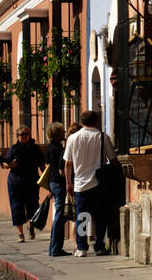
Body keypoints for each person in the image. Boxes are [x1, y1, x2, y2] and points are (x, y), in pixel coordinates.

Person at [63, 110, 117, 258]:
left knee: (82, 216)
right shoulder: (102, 137)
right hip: (99, 182)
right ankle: (99, 246)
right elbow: (112, 159)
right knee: (100, 216)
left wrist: (69, 182)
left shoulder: (73, 138)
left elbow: (68, 164)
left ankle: (81, 247)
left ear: (81, 122)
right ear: (96, 122)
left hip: (80, 184)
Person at [2, 125, 45, 243]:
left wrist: (46, 178)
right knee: (17, 207)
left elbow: (42, 165)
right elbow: (5, 164)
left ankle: (31, 225)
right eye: (22, 134)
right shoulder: (14, 149)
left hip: (32, 182)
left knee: (33, 206)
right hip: (16, 183)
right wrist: (10, 165)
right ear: (17, 136)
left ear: (30, 135)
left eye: (26, 134)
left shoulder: (35, 148)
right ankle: (20, 233)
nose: (24, 136)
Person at [45, 122, 68, 258]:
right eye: (61, 131)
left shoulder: (49, 148)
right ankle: (55, 248)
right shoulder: (59, 150)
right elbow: (60, 168)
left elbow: (48, 166)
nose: (64, 133)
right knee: (59, 216)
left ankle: (53, 248)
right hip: (59, 183)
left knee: (58, 216)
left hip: (53, 183)